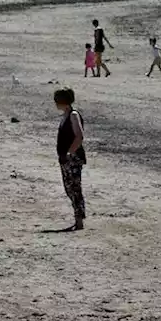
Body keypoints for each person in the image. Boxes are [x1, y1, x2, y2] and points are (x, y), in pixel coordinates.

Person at [54, 87, 87, 231]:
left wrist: (69, 153)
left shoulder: (73, 115)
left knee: (74, 188)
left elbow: (79, 136)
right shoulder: (66, 115)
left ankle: (79, 220)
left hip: (73, 158)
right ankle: (77, 217)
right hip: (66, 157)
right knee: (69, 188)